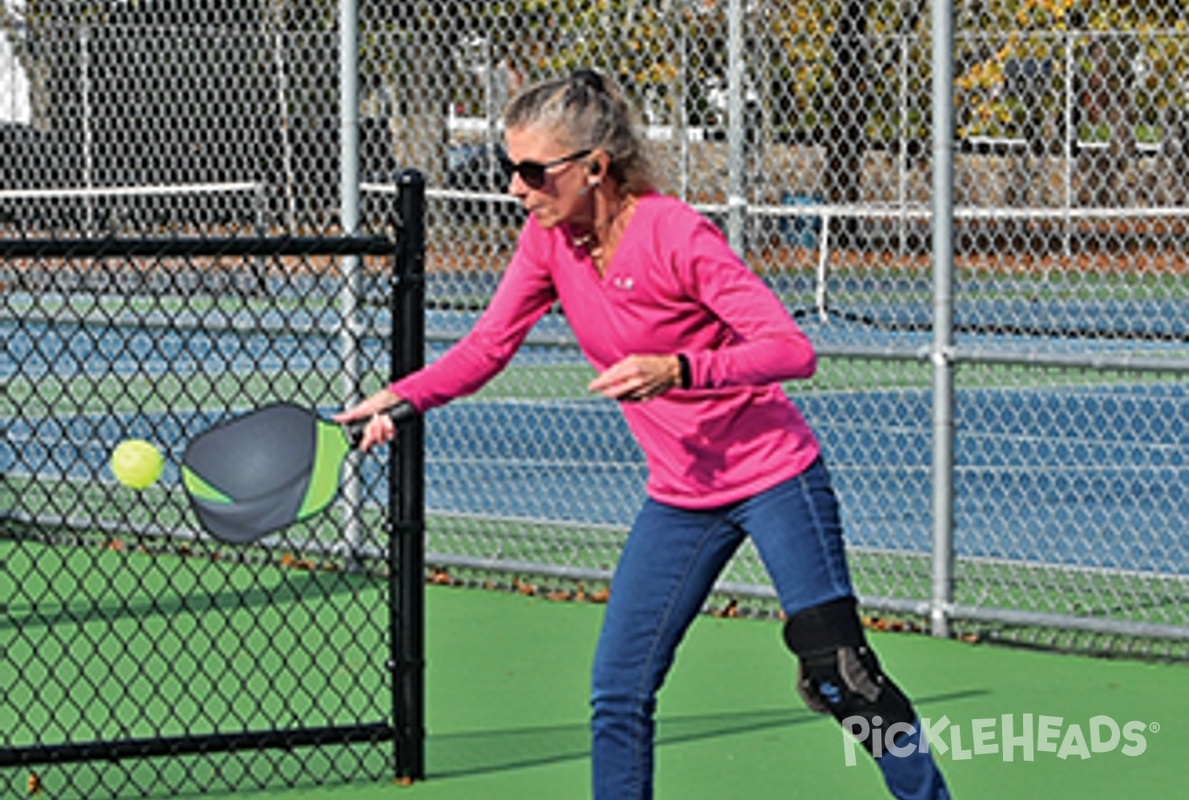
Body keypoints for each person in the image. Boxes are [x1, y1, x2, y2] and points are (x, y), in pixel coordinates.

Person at [336, 69, 952, 800]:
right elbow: (487, 347)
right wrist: (402, 399)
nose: (515, 188)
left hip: (774, 475)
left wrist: (679, 368)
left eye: (533, 172)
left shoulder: (675, 232)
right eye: (511, 169)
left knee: (841, 674)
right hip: (680, 496)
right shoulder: (549, 245)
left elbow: (791, 350)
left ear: (595, 167)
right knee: (618, 693)